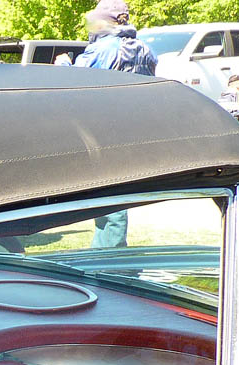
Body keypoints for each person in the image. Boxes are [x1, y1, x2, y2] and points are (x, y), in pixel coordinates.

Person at [74, 0, 156, 247]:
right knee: (116, 192)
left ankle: (110, 255)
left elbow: (74, 81)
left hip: (102, 130)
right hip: (131, 129)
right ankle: (107, 250)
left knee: (107, 197)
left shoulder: (102, 49)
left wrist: (63, 64)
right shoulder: (145, 50)